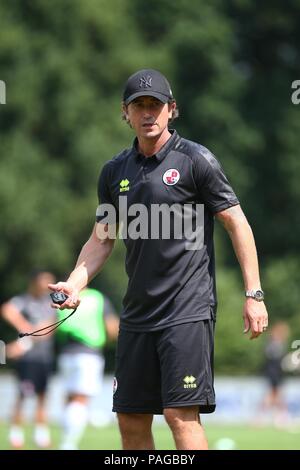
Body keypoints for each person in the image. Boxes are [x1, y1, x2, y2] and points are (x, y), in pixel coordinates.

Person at [49, 69, 269, 450]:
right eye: (139, 106)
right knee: (131, 419)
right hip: (137, 314)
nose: (148, 113)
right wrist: (74, 282)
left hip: (186, 310)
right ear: (126, 113)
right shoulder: (114, 171)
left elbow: (238, 224)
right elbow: (101, 240)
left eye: (156, 105)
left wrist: (254, 294)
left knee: (179, 415)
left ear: (172, 110)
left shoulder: (196, 160)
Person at [56, 287, 119, 450]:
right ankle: (68, 444)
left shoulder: (64, 296)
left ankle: (66, 440)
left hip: (66, 353)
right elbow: (112, 329)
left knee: (70, 398)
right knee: (81, 400)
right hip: (89, 354)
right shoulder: (97, 297)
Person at [1, 269, 56, 448]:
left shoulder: (51, 303)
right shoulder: (24, 300)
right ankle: (16, 432)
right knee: (23, 395)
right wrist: (24, 327)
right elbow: (7, 309)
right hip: (28, 360)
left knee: (43, 396)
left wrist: (33, 335)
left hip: (45, 358)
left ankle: (41, 433)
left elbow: (51, 327)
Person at [260, 322, 290, 426]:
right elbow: (275, 361)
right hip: (274, 374)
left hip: (277, 374)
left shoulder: (279, 344)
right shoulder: (273, 345)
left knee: (275, 396)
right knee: (273, 396)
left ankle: (278, 417)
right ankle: (276, 417)